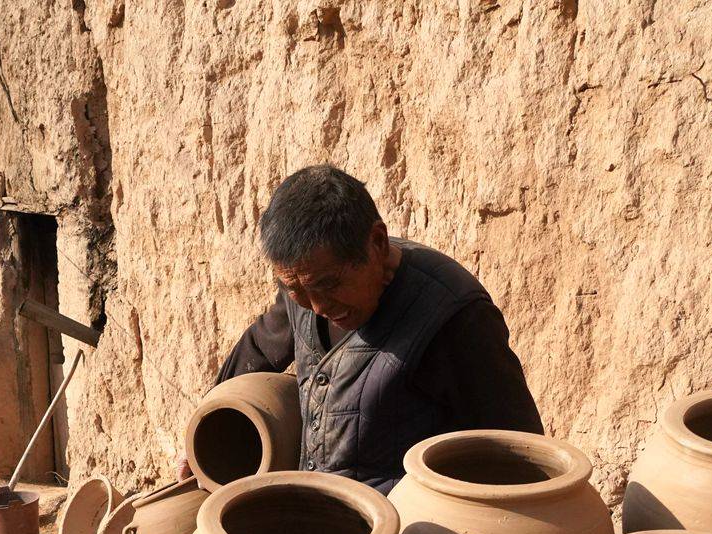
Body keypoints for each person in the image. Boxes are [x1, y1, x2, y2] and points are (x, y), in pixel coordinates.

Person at [214, 165, 542, 492]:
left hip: (408, 531)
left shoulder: (454, 317)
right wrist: (210, 425)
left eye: (328, 285)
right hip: (315, 516)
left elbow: (519, 453)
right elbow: (259, 348)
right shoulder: (306, 279)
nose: (317, 307)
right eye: (296, 291)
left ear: (378, 243)